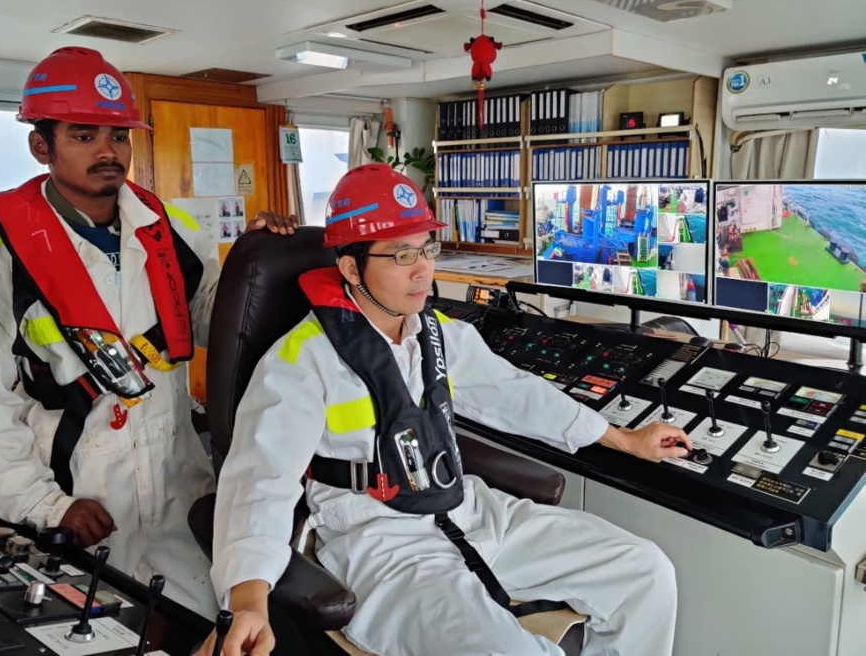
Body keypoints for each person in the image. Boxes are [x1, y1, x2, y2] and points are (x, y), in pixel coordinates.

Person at [201, 164, 691, 656]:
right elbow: (260, 480)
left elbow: (517, 393)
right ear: (351, 268)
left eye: (427, 248)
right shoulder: (300, 360)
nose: (423, 269)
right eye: (401, 254)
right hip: (379, 540)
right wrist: (248, 601)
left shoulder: (438, 334)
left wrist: (622, 438)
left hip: (467, 510)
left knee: (645, 571)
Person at [0, 46, 298, 620]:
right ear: (41, 145)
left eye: (120, 135)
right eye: (84, 136)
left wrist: (260, 262)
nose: (109, 151)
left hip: (181, 492)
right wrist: (47, 507)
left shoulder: (171, 231)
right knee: (96, 630)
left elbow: (221, 323)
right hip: (77, 504)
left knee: (204, 625)